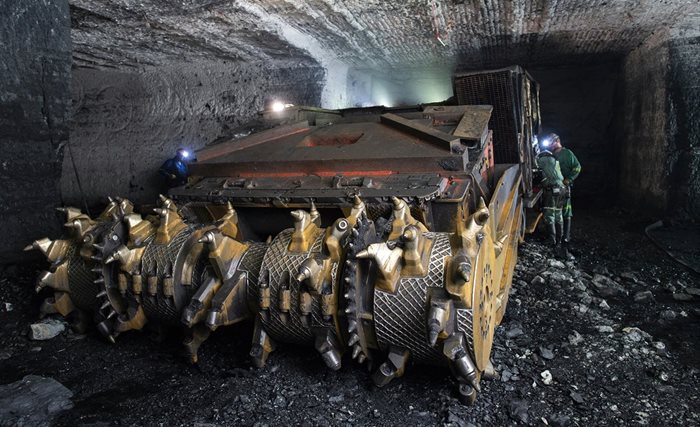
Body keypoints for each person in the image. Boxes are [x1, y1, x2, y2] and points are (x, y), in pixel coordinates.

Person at [546, 134, 581, 255]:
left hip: (564, 187)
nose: (550, 146)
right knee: (554, 211)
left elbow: (577, 167)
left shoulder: (567, 153)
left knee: (566, 211)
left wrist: (569, 179)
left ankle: (566, 238)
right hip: (553, 188)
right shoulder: (550, 155)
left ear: (557, 141)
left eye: (551, 143)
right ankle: (555, 239)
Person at [536, 146, 566, 257]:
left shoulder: (542, 160)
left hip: (552, 189)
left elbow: (533, 167)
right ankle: (559, 239)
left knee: (549, 213)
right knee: (558, 213)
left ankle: (551, 239)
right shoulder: (555, 161)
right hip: (563, 189)